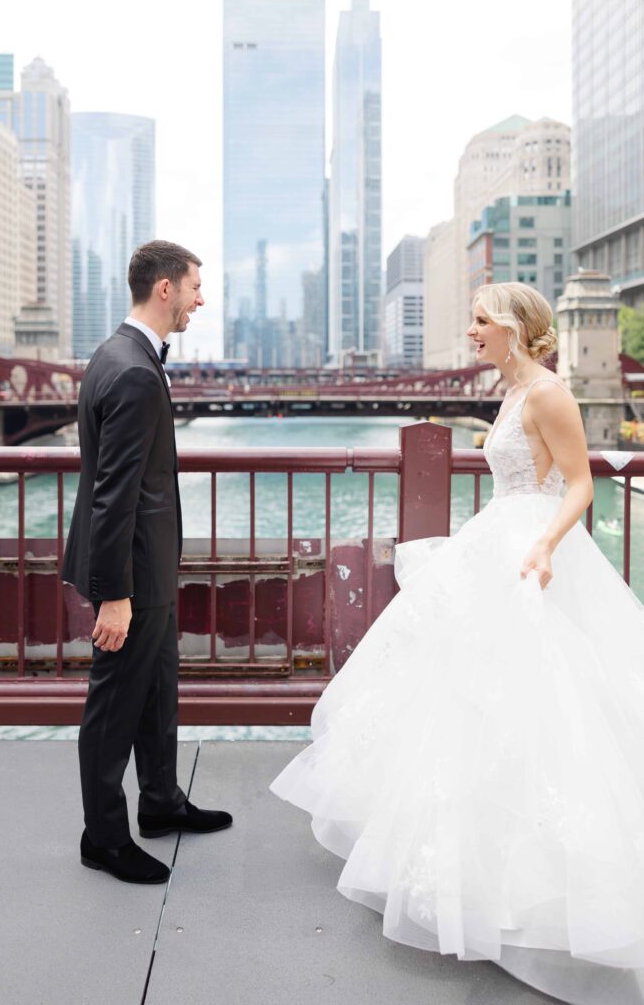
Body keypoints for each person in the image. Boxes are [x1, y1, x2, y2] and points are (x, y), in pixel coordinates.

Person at [271, 282, 644, 1004]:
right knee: (460, 704)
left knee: (541, 709)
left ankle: (535, 890)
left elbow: (578, 486)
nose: (469, 330)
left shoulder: (546, 394)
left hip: (529, 554)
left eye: (479, 320)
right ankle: (466, 870)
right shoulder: (508, 393)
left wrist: (543, 547)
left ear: (512, 328)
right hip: (493, 544)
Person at [62, 240, 232, 885]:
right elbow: (116, 490)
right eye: (194, 286)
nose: (200, 298)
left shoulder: (116, 354)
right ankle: (103, 837)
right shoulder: (133, 369)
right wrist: (114, 593)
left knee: (159, 693)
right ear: (165, 288)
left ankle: (160, 803)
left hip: (149, 570)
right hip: (131, 574)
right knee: (114, 707)